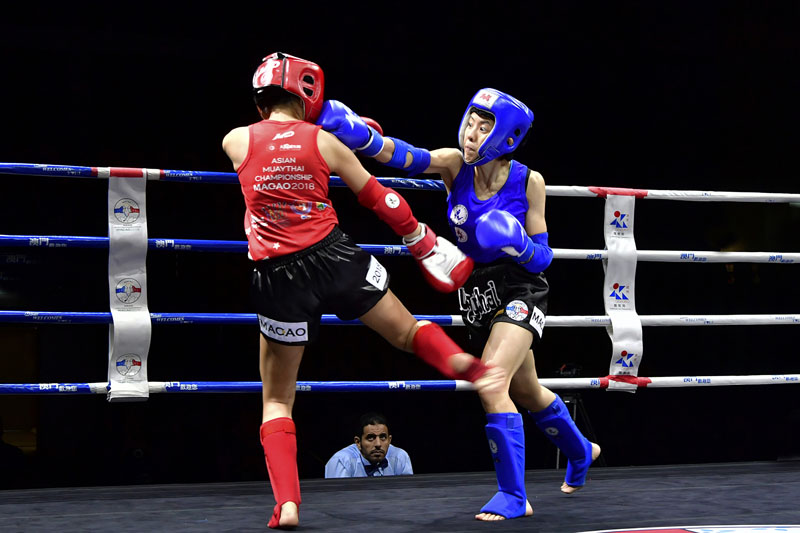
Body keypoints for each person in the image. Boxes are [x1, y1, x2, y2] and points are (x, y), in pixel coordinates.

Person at [221, 53, 504, 529]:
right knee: (409, 331)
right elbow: (378, 196)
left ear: (260, 99)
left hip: (276, 275)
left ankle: (288, 505)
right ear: (305, 94)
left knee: (277, 401)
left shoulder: (234, 140)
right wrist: (420, 238)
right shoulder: (324, 141)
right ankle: (470, 366)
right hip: (337, 259)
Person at [317, 88, 602, 521]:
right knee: (524, 389)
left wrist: (517, 241)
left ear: (507, 136)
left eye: (484, 126)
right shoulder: (454, 165)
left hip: (523, 287)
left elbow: (544, 256)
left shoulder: (529, 181)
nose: (471, 133)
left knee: (491, 381)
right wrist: (360, 136)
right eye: (471, 120)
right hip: (477, 292)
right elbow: (405, 156)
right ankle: (581, 450)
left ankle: (514, 494)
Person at [324, 412, 412, 478]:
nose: (378, 444)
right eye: (371, 438)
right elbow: (338, 499)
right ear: (358, 442)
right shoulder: (342, 461)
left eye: (383, 437)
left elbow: (408, 495)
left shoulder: (400, 457)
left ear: (389, 440)